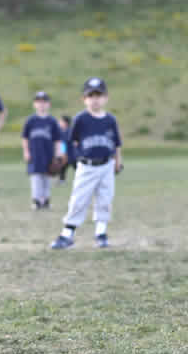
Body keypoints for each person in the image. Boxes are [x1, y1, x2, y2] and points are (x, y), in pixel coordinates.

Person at [50, 78, 123, 250]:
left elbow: (117, 144)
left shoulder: (110, 120)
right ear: (84, 99)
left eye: (99, 95)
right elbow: (70, 141)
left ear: (106, 98)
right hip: (86, 166)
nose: (95, 99)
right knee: (79, 200)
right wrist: (68, 158)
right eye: (91, 95)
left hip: (106, 165)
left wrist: (118, 162)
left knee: (105, 199)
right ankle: (68, 234)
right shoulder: (80, 119)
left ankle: (101, 233)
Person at [22, 91, 64, 210]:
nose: (41, 104)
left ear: (48, 104)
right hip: (34, 154)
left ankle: (45, 200)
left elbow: (58, 140)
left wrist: (58, 153)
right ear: (34, 104)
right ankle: (36, 200)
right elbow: (25, 138)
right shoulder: (30, 120)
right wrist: (26, 151)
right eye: (38, 102)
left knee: (46, 178)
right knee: (36, 178)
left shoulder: (52, 121)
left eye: (44, 102)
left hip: (48, 155)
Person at [57, 114, 76, 185]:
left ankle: (81, 179)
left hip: (72, 155)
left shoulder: (68, 131)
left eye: (60, 121)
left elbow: (64, 143)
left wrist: (63, 153)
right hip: (69, 154)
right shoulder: (63, 131)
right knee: (62, 167)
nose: (59, 122)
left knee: (76, 167)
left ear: (65, 123)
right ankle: (62, 180)